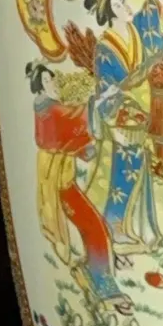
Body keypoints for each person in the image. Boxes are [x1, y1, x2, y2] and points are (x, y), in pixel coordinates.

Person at [27, 60, 125, 300]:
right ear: (40, 86)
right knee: (92, 224)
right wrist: (101, 100)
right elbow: (76, 120)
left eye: (52, 79)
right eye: (47, 81)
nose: (53, 84)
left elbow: (70, 133)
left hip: (62, 177)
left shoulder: (49, 109)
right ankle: (100, 281)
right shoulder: (49, 111)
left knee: (93, 222)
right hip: (58, 180)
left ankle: (100, 266)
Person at [83, 0, 163, 250]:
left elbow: (154, 8)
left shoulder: (136, 30)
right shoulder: (105, 48)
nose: (126, 8)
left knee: (139, 163)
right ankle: (114, 222)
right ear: (109, 14)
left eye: (124, 3)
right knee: (124, 165)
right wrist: (121, 104)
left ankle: (137, 225)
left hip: (140, 106)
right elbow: (105, 87)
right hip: (121, 113)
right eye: (118, 6)